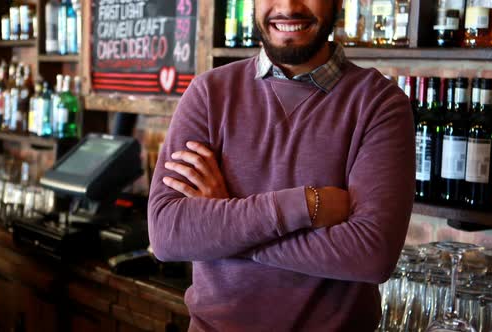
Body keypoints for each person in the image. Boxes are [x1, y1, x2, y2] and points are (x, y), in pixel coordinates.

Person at [147, 0, 415, 330]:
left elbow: (371, 255)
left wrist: (226, 223)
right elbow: (166, 235)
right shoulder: (208, 93)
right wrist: (307, 204)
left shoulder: (380, 103)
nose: (288, 7)